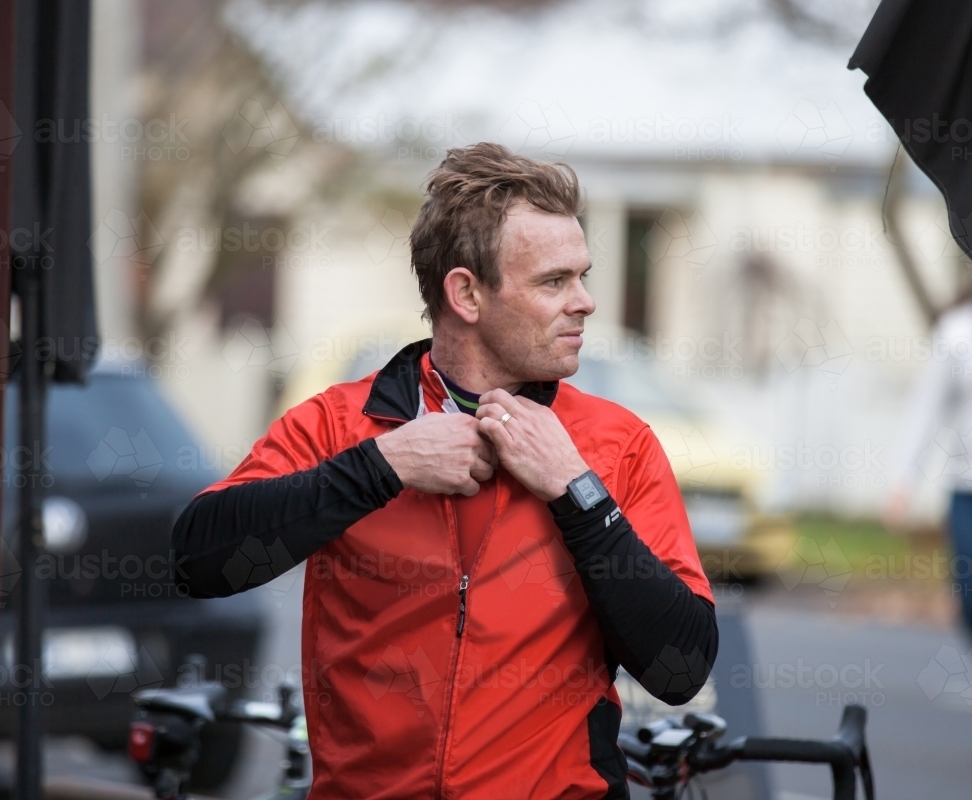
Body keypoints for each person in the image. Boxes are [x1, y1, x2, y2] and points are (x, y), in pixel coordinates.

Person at [172, 142, 717, 799]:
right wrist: (384, 465)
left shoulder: (617, 445)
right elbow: (198, 561)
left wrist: (576, 492)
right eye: (554, 281)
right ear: (465, 293)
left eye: (583, 275)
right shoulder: (338, 426)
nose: (586, 301)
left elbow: (680, 669)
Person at [886, 295, 972, 635]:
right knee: (968, 593)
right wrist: (903, 481)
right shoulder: (957, 332)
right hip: (966, 489)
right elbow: (925, 410)